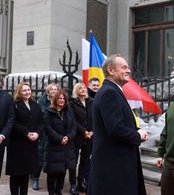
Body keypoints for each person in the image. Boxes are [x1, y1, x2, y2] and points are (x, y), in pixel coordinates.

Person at [87, 54, 148, 195]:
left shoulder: (111, 91)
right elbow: (115, 129)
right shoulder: (110, 92)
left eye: (128, 67)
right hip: (114, 167)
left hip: (114, 164)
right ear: (110, 70)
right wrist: (137, 135)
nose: (128, 70)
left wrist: (136, 129)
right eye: (124, 67)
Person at [6, 82, 44, 195]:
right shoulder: (14, 104)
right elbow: (13, 122)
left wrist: (37, 133)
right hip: (17, 144)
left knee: (26, 173)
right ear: (19, 92)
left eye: (28, 90)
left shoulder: (35, 105)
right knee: (16, 173)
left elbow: (41, 122)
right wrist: (27, 133)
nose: (27, 92)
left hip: (31, 144)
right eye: (24, 90)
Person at [43, 90, 77, 195]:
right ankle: (51, 192)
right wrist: (60, 139)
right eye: (59, 98)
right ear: (55, 99)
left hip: (67, 147)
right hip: (54, 147)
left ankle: (59, 191)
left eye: (63, 98)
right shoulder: (49, 112)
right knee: (53, 173)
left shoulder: (68, 111)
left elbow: (74, 127)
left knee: (62, 172)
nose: (61, 100)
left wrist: (68, 137)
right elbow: (48, 129)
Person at [31, 83, 59, 190]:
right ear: (48, 91)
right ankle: (35, 178)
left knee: (54, 157)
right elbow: (41, 114)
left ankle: (53, 181)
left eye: (55, 89)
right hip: (44, 134)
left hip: (56, 133)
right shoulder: (42, 101)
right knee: (40, 157)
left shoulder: (60, 100)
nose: (53, 91)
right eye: (51, 89)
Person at [0, 70, 15, 194]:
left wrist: (2, 136)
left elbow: (11, 117)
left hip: (0, 142)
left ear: (0, 81)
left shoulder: (7, 97)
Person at [69, 83, 93, 193]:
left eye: (84, 88)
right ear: (76, 91)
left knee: (85, 160)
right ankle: (73, 184)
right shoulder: (72, 103)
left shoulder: (91, 102)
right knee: (73, 161)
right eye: (80, 88)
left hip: (90, 136)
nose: (83, 90)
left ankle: (81, 182)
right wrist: (83, 131)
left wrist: (92, 131)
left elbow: (95, 118)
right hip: (77, 136)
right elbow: (73, 120)